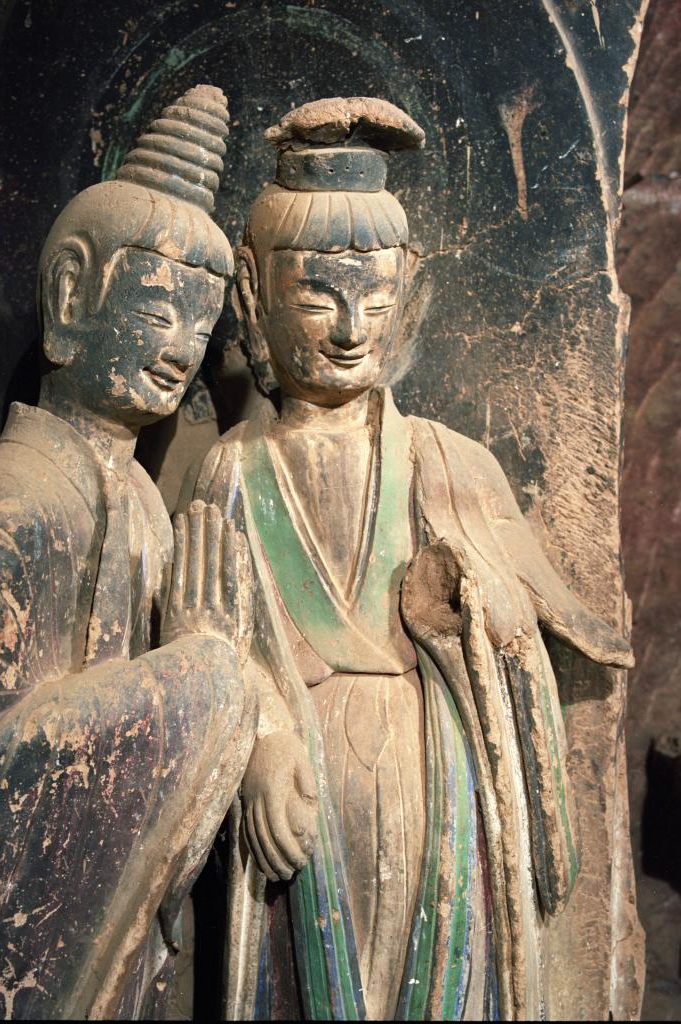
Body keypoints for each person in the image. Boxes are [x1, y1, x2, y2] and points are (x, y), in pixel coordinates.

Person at [181, 96, 633, 1021]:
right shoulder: (230, 470)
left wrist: (469, 604)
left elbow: (517, 630)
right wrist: (261, 739)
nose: (350, 329)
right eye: (317, 297)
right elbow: (208, 641)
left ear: (407, 298)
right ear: (253, 294)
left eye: (375, 300)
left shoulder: (447, 460)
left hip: (438, 784)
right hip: (300, 795)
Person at [0, 84, 256, 1020]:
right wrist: (198, 679)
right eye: (158, 310)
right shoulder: (7, 503)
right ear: (72, 294)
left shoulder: (147, 509)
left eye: (201, 325)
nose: (182, 351)